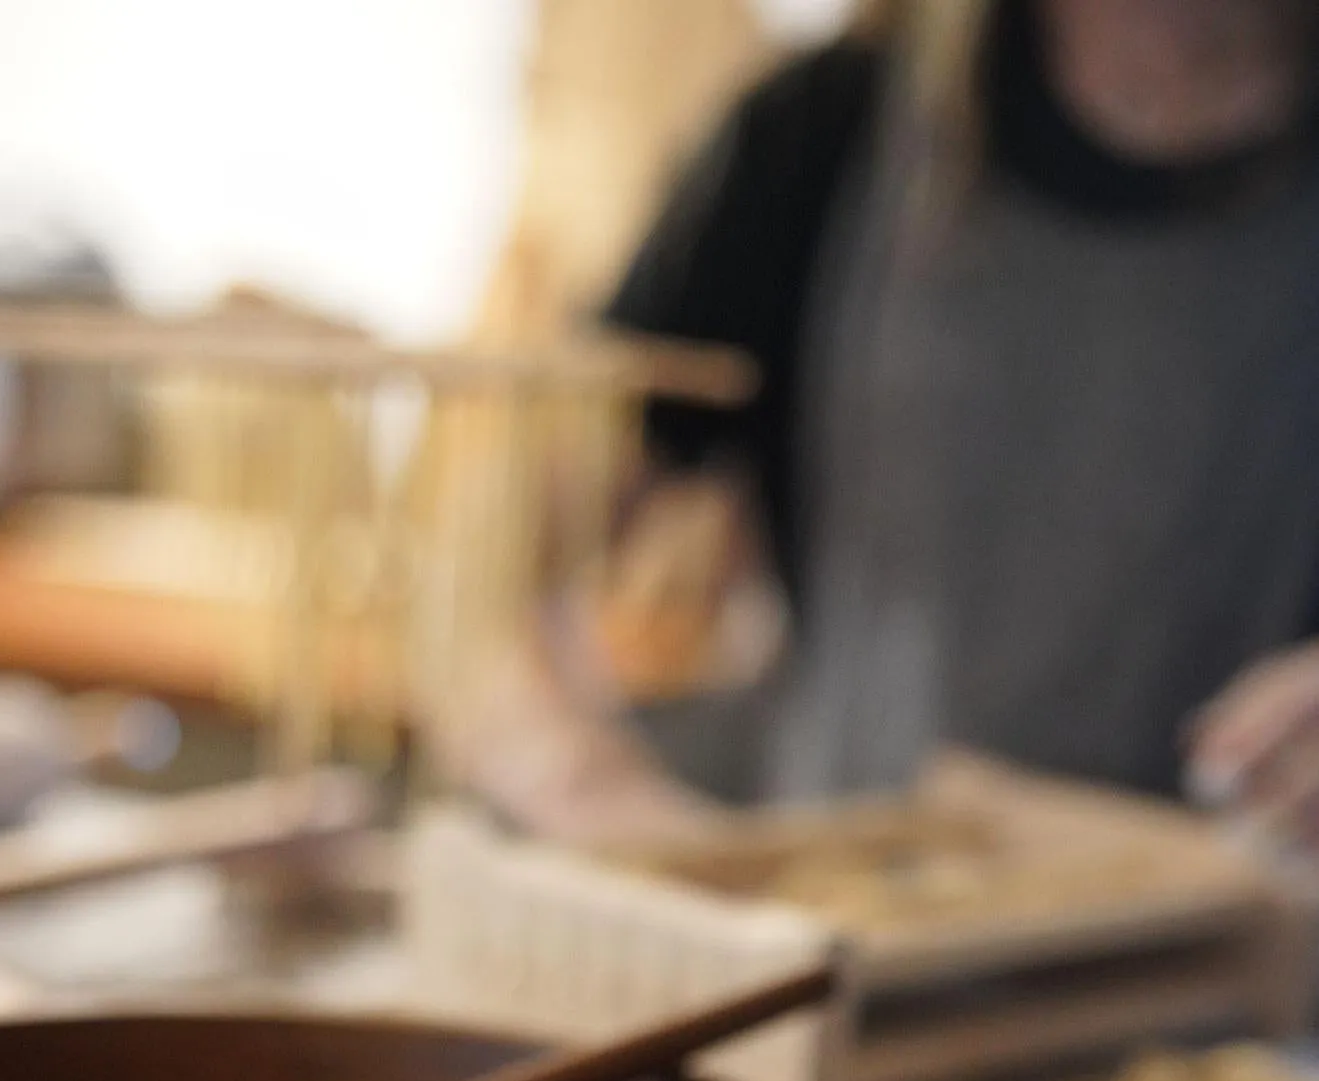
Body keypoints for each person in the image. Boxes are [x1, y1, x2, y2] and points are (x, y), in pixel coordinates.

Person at [455, 0, 1319, 853]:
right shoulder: (823, 133)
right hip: (865, 941)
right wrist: (574, 779)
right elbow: (481, 584)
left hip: (1261, 961)